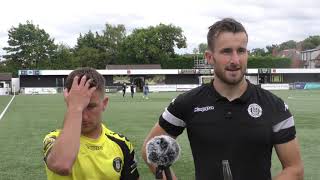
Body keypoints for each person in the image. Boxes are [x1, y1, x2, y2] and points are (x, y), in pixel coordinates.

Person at [142, 18, 303, 180]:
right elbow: (149, 149)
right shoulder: (187, 103)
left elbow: (294, 169)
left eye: (241, 50)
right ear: (210, 57)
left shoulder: (275, 106)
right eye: (226, 51)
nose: (235, 60)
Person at [43, 67, 139, 180]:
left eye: (91, 106)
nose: (84, 116)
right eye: (78, 106)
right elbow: (61, 165)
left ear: (104, 104)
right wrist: (75, 108)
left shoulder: (121, 144)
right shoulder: (53, 139)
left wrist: (76, 106)